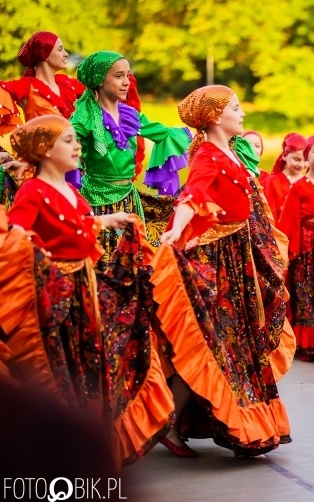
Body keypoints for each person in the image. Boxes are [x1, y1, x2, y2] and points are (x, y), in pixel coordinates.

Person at [0, 115, 173, 468]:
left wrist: (108, 220)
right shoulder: (33, 190)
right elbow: (16, 234)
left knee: (91, 358)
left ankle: (94, 437)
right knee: (62, 362)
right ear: (44, 151)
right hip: (57, 294)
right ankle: (60, 445)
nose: (77, 145)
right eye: (68, 140)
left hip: (85, 285)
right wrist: (42, 259)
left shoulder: (68, 188)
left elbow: (76, 222)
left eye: (75, 139)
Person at [152, 85, 292, 458]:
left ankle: (192, 420)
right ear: (215, 116)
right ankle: (170, 423)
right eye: (236, 107)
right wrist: (178, 229)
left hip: (240, 257)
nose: (242, 112)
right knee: (210, 343)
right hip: (221, 264)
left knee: (230, 346)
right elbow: (191, 194)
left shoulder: (230, 150)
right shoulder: (208, 155)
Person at [70, 51, 191, 270]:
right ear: (99, 79)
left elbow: (163, 133)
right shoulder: (83, 117)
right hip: (97, 201)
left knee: (133, 261)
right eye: (118, 76)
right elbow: (65, 148)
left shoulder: (130, 114)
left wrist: (206, 137)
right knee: (103, 264)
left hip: (128, 198)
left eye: (127, 75)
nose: (126, 82)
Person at [0, 31, 87, 208]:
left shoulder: (66, 83)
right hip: (42, 165)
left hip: (73, 160)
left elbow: (98, 93)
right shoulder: (26, 86)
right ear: (44, 54)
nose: (66, 54)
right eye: (60, 49)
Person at [278, 135, 314, 360]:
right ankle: (307, 344)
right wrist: (288, 253)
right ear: (307, 156)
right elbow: (288, 221)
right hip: (305, 250)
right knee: (305, 294)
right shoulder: (299, 187)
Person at [265, 132, 306, 221]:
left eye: (306, 160)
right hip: (281, 232)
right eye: (296, 159)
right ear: (284, 156)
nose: (301, 165)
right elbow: (270, 216)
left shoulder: (308, 181)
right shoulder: (273, 182)